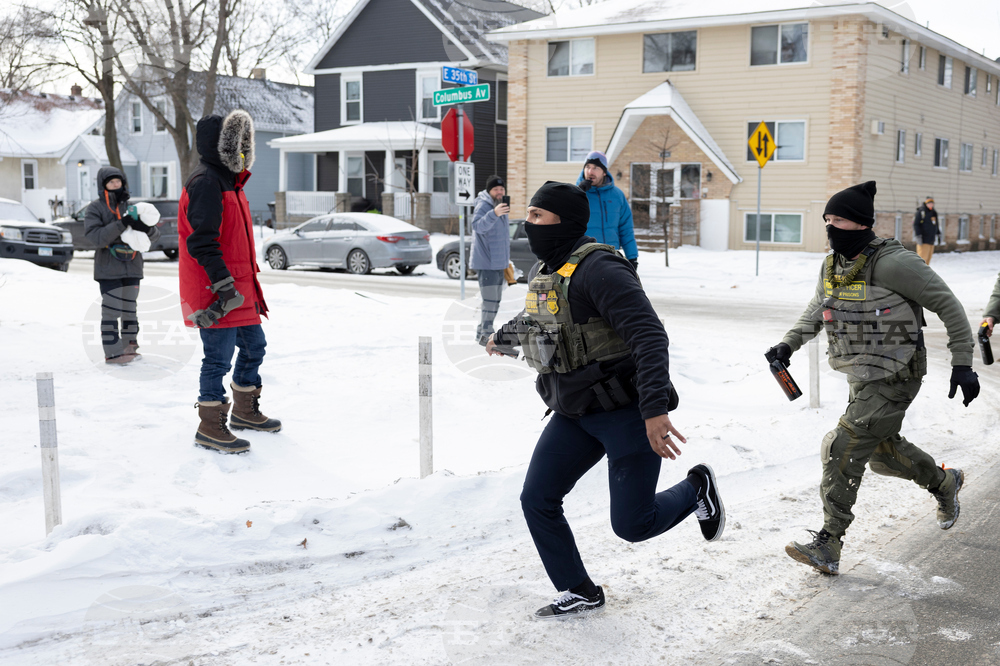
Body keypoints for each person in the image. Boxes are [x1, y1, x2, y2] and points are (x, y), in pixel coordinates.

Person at [484, 181, 725, 619]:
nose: (528, 223)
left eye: (538, 216)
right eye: (530, 214)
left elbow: (650, 337)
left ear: (566, 222)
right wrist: (503, 336)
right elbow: (541, 313)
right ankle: (579, 589)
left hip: (624, 413)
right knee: (537, 498)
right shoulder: (549, 269)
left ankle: (696, 488)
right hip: (574, 411)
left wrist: (655, 410)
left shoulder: (601, 269)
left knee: (633, 525)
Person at [772, 181, 979, 576]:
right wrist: (788, 344)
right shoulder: (832, 264)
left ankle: (829, 542)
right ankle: (944, 483)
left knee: (842, 446)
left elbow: (949, 306)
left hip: (898, 374)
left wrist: (963, 364)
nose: (830, 227)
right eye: (827, 219)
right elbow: (819, 307)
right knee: (882, 455)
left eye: (838, 220)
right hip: (862, 373)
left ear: (861, 224)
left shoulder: (894, 263)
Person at [179, 110, 281, 454]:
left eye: (244, 144)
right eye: (235, 144)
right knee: (217, 359)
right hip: (218, 291)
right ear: (219, 146)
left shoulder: (231, 182)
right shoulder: (206, 182)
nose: (241, 150)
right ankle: (209, 425)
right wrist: (223, 285)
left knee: (255, 347)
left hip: (240, 288)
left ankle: (244, 411)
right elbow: (202, 242)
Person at [84, 167, 161, 365]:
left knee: (129, 309)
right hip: (108, 268)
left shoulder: (134, 207)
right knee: (112, 309)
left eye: (118, 181)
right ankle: (112, 353)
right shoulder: (95, 209)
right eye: (111, 182)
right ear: (103, 185)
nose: (115, 185)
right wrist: (122, 223)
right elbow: (96, 238)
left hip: (132, 266)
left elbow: (154, 237)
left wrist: (144, 228)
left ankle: (129, 347)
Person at [576, 151, 639, 270]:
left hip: (611, 256)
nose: (590, 172)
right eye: (587, 167)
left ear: (604, 172)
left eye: (595, 168)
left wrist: (632, 257)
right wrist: (578, 193)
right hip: (583, 258)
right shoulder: (575, 193)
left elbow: (626, 229)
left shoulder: (617, 195)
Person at [470, 175, 510, 345]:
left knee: (495, 302)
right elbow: (477, 226)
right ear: (489, 191)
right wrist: (494, 213)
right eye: (496, 189)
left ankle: (482, 334)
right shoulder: (484, 205)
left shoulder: (500, 207)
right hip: (486, 263)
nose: (500, 192)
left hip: (498, 263)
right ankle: (486, 335)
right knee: (489, 302)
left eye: (502, 189)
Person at [912, 197, 940, 264]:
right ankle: (919, 273)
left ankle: (925, 274)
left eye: (932, 203)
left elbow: (936, 224)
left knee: (928, 259)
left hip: (931, 240)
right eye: (929, 203)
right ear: (926, 203)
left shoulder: (933, 212)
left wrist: (938, 234)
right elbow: (916, 224)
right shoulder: (921, 212)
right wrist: (918, 236)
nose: (930, 205)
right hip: (923, 240)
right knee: (922, 260)